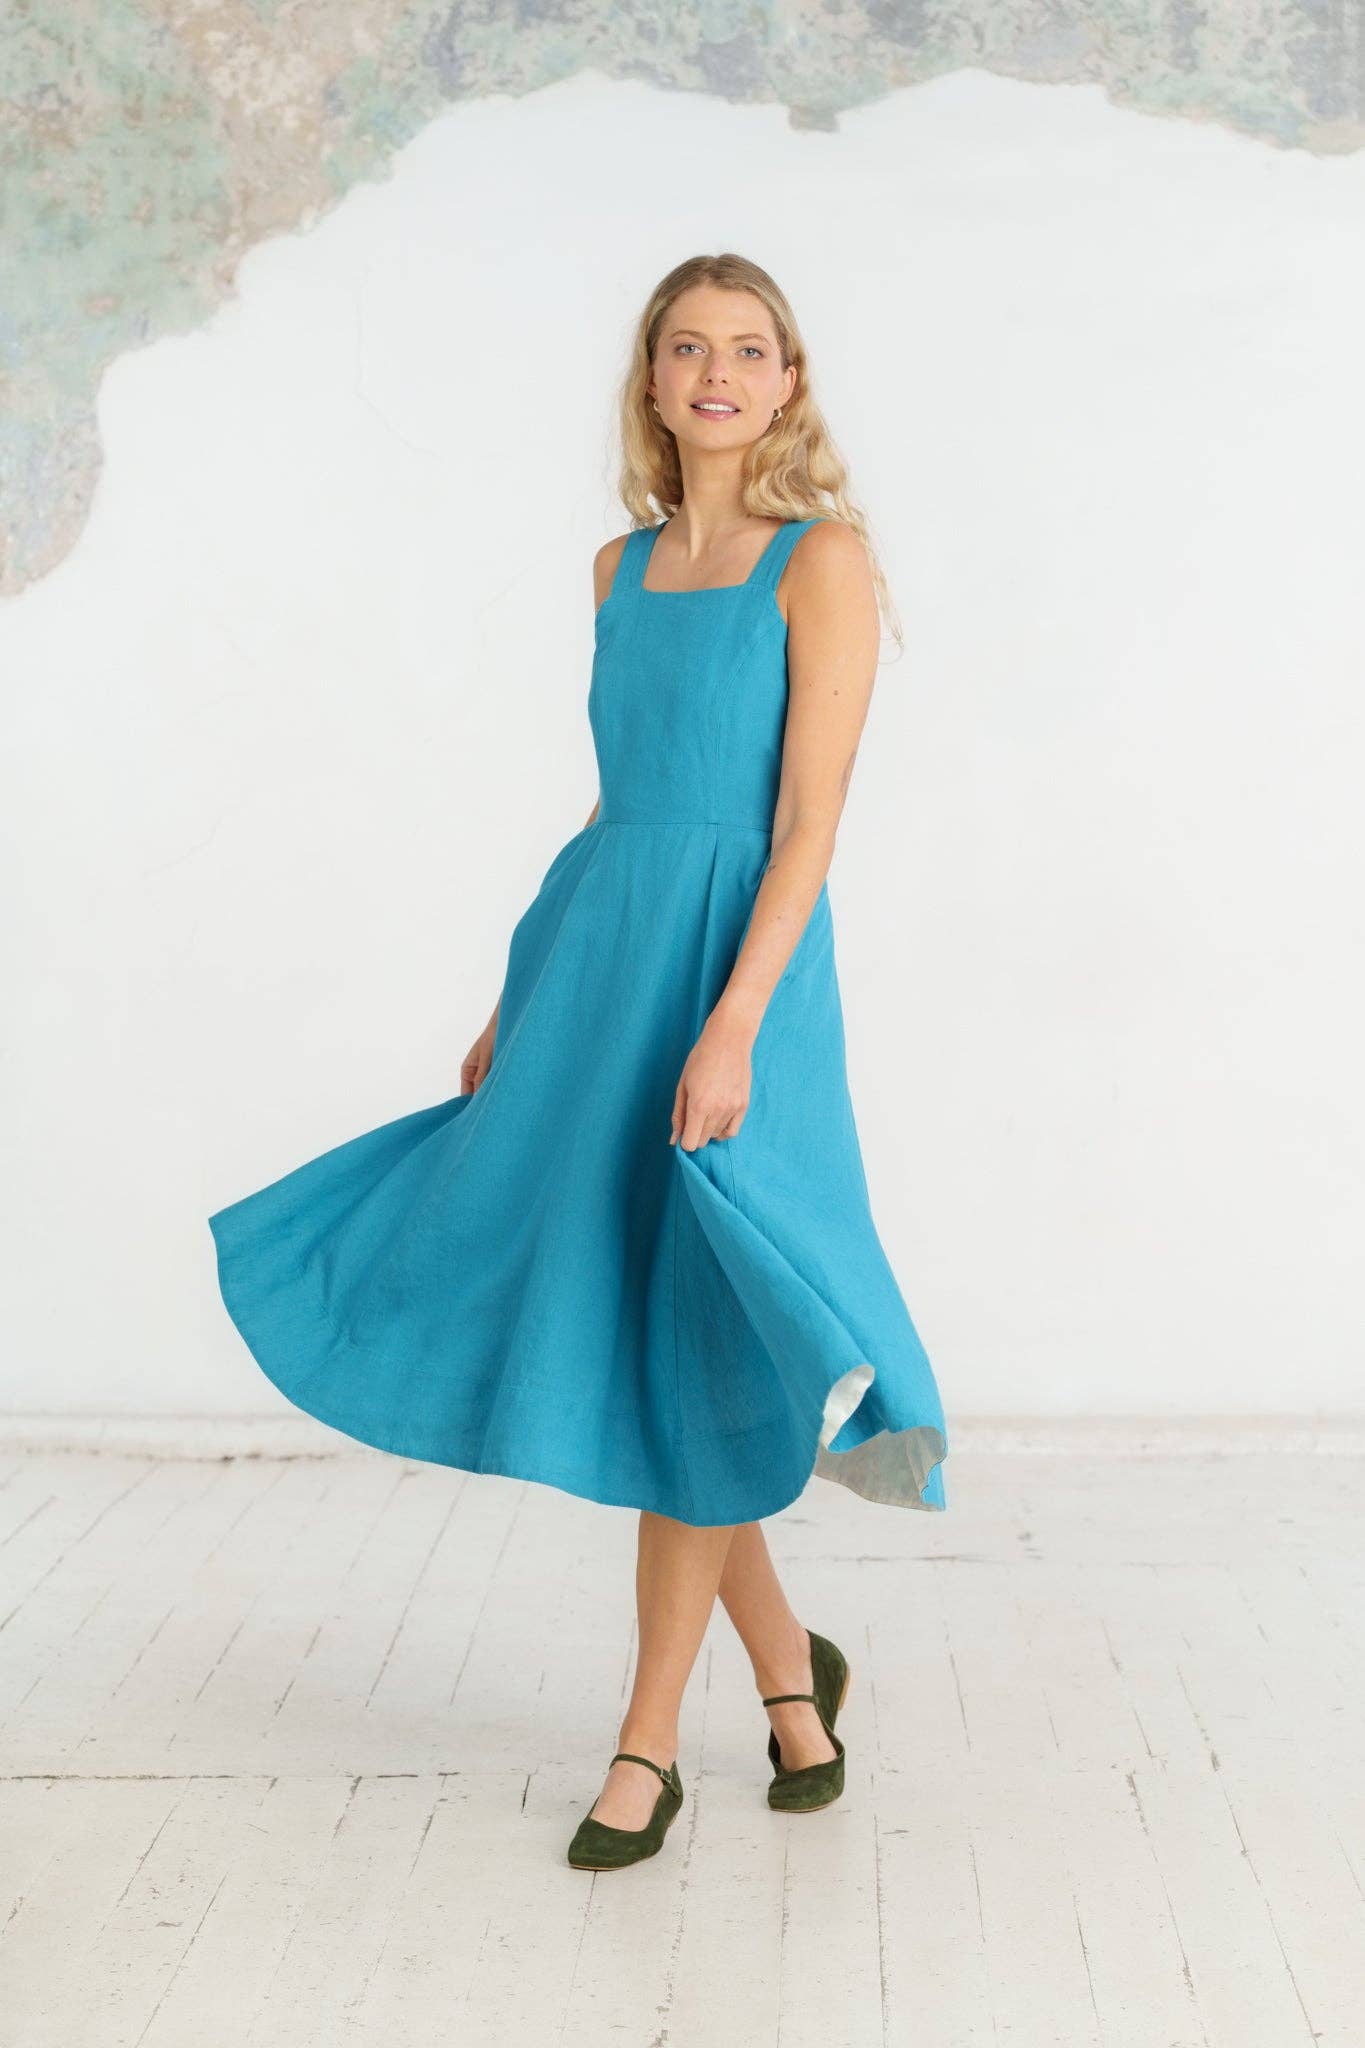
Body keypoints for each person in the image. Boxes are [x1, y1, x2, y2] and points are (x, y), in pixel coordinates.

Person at [208, 251, 948, 1874]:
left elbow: (805, 823)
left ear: (788, 381)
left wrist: (734, 1022)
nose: (716, 373)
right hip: (601, 967)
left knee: (706, 1328)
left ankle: (643, 1744)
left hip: (736, 978)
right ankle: (792, 1687)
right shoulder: (616, 570)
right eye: (687, 347)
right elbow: (617, 805)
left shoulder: (821, 561)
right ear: (651, 379)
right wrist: (518, 992)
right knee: (651, 1334)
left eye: (747, 349)